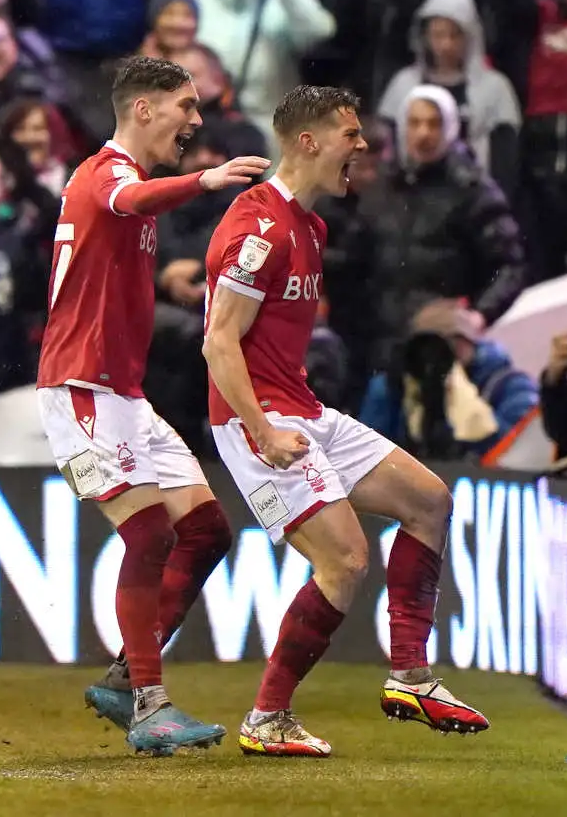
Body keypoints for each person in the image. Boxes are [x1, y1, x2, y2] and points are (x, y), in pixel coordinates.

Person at [202, 85, 489, 758]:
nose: (361, 147)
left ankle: (410, 675)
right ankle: (268, 717)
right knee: (346, 560)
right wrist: (265, 432)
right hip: (255, 419)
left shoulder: (311, 225)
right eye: (350, 134)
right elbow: (219, 344)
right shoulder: (257, 231)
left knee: (428, 502)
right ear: (309, 141)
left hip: (301, 407)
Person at [36, 55, 269, 755]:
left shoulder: (127, 179)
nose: (196, 121)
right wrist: (206, 181)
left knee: (205, 532)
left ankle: (120, 680)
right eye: (185, 107)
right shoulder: (106, 173)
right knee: (148, 537)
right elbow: (130, 203)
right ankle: (148, 703)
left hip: (123, 395)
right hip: (80, 388)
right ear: (143, 109)